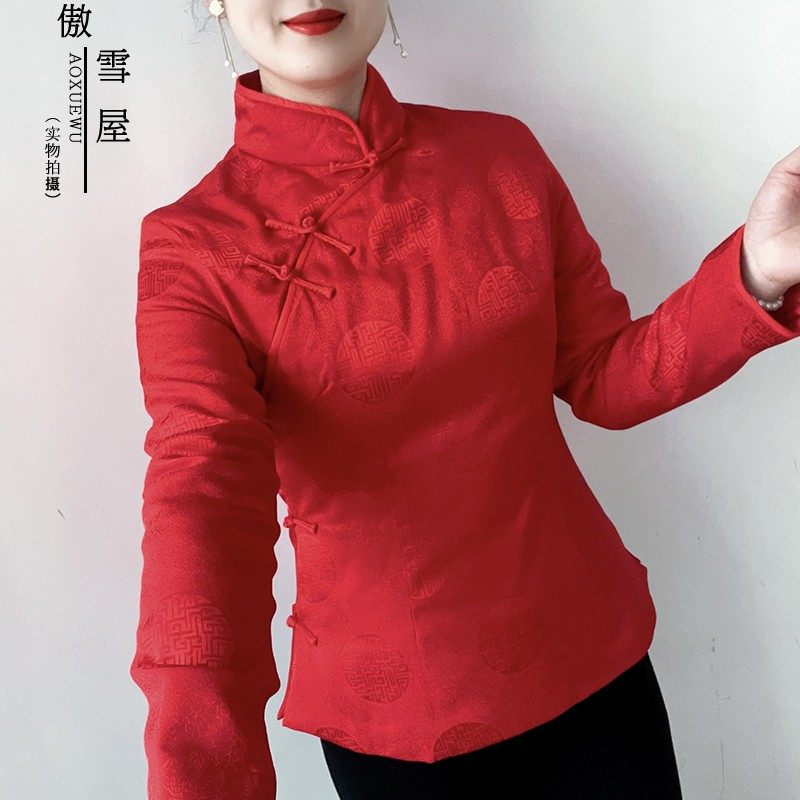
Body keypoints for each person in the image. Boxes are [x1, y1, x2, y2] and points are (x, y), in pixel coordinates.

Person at [129, 2, 800, 799]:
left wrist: (756, 271)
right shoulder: (193, 248)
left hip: (594, 664)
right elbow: (204, 511)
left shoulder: (500, 156)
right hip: (402, 729)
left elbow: (602, 375)